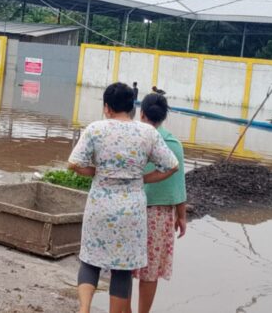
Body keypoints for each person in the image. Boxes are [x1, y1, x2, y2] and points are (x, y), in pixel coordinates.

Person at [69, 82, 179, 313]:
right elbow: (172, 166)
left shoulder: (95, 129)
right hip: (131, 210)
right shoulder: (147, 133)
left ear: (107, 107)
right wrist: (143, 178)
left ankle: (84, 308)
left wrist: (96, 172)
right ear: (132, 107)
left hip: (100, 205)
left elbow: (74, 163)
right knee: (122, 270)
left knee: (90, 261)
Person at [132, 93, 186, 313]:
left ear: (142, 113)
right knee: (150, 271)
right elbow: (178, 185)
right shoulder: (173, 144)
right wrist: (182, 216)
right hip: (160, 215)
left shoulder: (133, 138)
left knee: (122, 266)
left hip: (130, 208)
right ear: (164, 117)